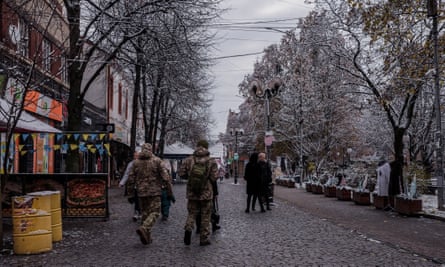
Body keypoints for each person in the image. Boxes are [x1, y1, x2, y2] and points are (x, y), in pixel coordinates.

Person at [127, 143, 172, 245]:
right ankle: (144, 228)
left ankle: (146, 237)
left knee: (145, 214)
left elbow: (130, 179)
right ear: (151, 150)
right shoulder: (157, 161)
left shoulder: (136, 163)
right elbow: (166, 177)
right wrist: (169, 192)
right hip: (155, 192)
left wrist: (130, 194)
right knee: (155, 212)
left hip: (141, 192)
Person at [179, 139, 218, 246]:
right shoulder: (211, 161)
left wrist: (191, 178)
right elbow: (214, 178)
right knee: (205, 215)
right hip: (206, 193)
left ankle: (188, 228)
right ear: (207, 147)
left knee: (192, 213)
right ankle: (203, 238)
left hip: (192, 192)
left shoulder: (188, 160)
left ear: (197, 146)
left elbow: (181, 174)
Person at [119, 152, 141, 221]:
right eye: (135, 155)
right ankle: (137, 212)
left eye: (137, 156)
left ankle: (139, 212)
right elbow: (127, 173)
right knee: (135, 199)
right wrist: (122, 182)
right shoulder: (131, 164)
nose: (136, 157)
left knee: (141, 199)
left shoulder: (143, 163)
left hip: (143, 185)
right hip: (134, 185)